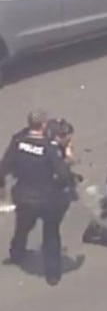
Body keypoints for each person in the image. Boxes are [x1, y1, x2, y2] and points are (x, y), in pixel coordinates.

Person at [0, 110, 75, 286]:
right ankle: (52, 274)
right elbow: (63, 175)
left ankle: (16, 254)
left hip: (24, 197)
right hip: (48, 199)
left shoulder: (18, 140)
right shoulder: (49, 147)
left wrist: (1, 187)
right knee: (51, 234)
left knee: (22, 227)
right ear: (43, 125)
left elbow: (4, 166)